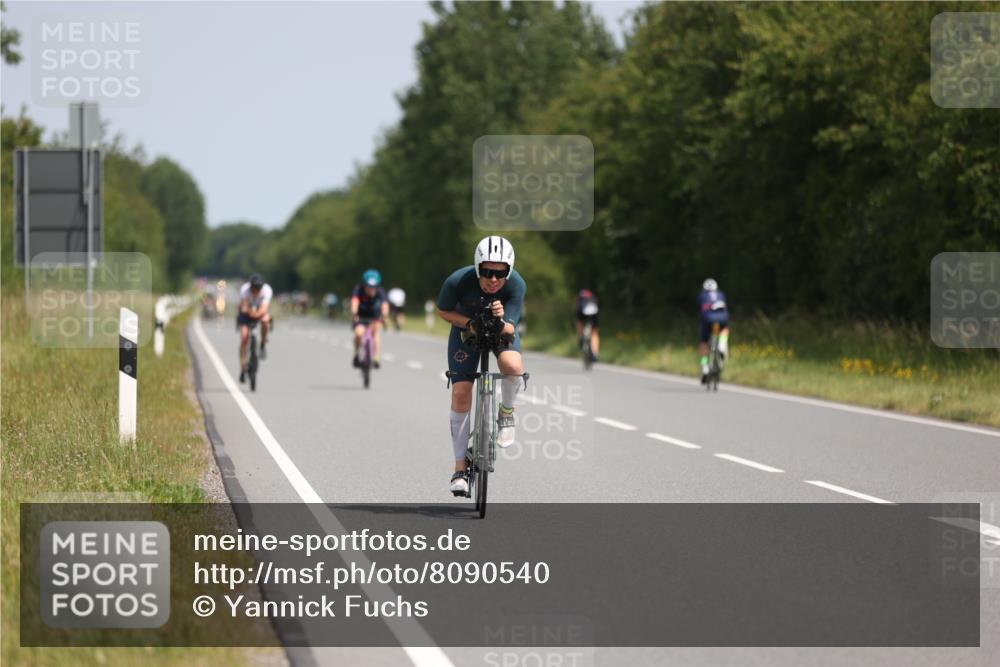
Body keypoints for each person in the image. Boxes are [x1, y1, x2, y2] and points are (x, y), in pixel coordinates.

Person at [437, 236, 526, 496]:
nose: (494, 279)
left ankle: (506, 412)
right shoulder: (457, 281)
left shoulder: (517, 285)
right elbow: (444, 311)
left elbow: (511, 328)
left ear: (509, 271)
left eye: (501, 273)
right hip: (467, 328)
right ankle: (460, 469)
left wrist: (500, 317)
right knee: (461, 391)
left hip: (500, 329)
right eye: (487, 272)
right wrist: (469, 323)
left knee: (512, 365)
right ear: (478, 268)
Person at [237, 273, 273, 383]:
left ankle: (262, 343)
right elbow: (243, 307)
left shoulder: (267, 290)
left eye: (259, 288)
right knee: (244, 337)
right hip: (247, 312)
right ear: (250, 286)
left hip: (259, 311)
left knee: (266, 322)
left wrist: (256, 314)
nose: (256, 290)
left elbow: (264, 309)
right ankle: (243, 367)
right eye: (254, 287)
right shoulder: (244, 290)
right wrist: (250, 312)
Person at [351, 269, 389, 368]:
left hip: (374, 315)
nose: (372, 289)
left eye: (374, 287)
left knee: (376, 332)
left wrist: (384, 315)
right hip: (361, 315)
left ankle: (376, 357)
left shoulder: (380, 291)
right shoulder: (358, 289)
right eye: (369, 287)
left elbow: (385, 304)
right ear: (364, 285)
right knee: (359, 333)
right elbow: (354, 302)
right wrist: (354, 313)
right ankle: (356, 354)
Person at [698, 278, 729, 383]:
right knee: (725, 329)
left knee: (704, 343)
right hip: (722, 318)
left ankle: (705, 368)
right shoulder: (721, 294)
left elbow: (701, 310)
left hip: (708, 320)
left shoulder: (702, 295)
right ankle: (722, 344)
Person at [575, 288, 600, 362]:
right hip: (594, 312)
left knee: (579, 322)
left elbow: (577, 307)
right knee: (594, 333)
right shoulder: (593, 297)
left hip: (582, 310)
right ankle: (595, 353)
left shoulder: (580, 296)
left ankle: (581, 337)